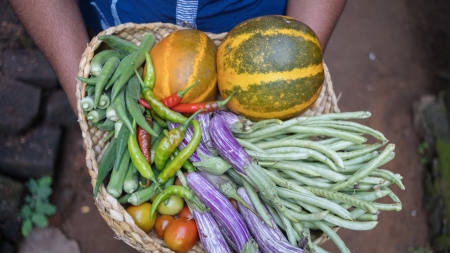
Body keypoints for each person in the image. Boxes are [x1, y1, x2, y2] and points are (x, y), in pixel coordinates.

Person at [8, 0, 346, 114]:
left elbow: (295, 53)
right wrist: (79, 88)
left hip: (256, 38)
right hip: (119, 33)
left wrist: (296, 62)